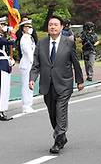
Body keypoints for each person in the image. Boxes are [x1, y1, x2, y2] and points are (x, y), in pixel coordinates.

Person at [29, 16, 84, 154]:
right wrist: (32, 79)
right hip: (47, 84)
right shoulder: (41, 43)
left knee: (61, 111)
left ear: (61, 27)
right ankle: (62, 137)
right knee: (52, 113)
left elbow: (75, 62)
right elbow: (36, 64)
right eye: (50, 25)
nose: (53, 27)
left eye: (55, 25)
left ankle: (57, 140)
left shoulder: (69, 43)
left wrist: (79, 80)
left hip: (64, 83)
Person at [0, 17, 15, 121]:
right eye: (3, 25)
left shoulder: (2, 37)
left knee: (5, 89)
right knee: (1, 89)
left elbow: (9, 43)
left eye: (5, 24)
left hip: (5, 64)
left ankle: (2, 110)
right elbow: (9, 42)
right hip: (0, 64)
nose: (5, 27)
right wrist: (11, 35)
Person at [19, 19, 36, 113]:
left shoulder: (29, 37)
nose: (30, 28)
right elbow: (28, 52)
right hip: (26, 63)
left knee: (30, 84)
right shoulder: (24, 38)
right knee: (26, 85)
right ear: (24, 28)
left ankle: (29, 104)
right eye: (28, 27)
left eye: (30, 27)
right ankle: (26, 105)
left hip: (30, 64)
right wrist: (33, 61)